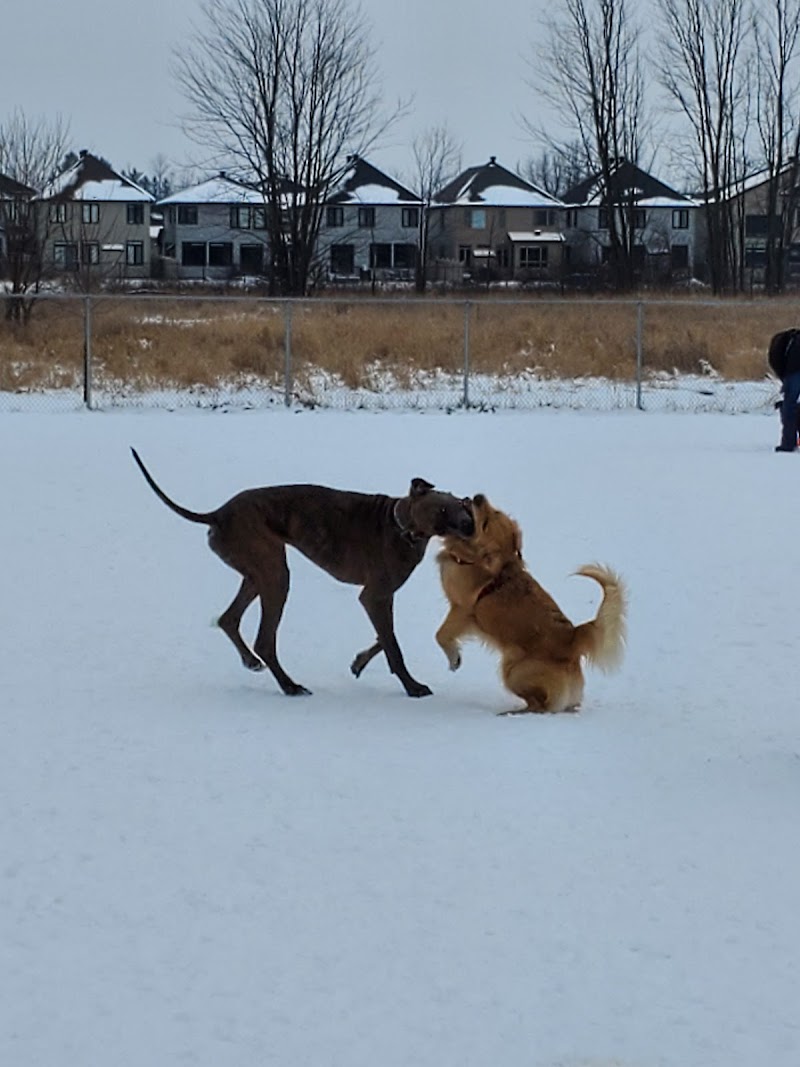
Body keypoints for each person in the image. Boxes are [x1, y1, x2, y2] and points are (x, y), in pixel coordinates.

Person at [768, 329, 800, 452]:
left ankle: (788, 443)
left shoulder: (782, 343)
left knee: (789, 405)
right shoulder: (787, 340)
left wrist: (784, 378)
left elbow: (776, 361)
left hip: (794, 370)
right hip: (793, 369)